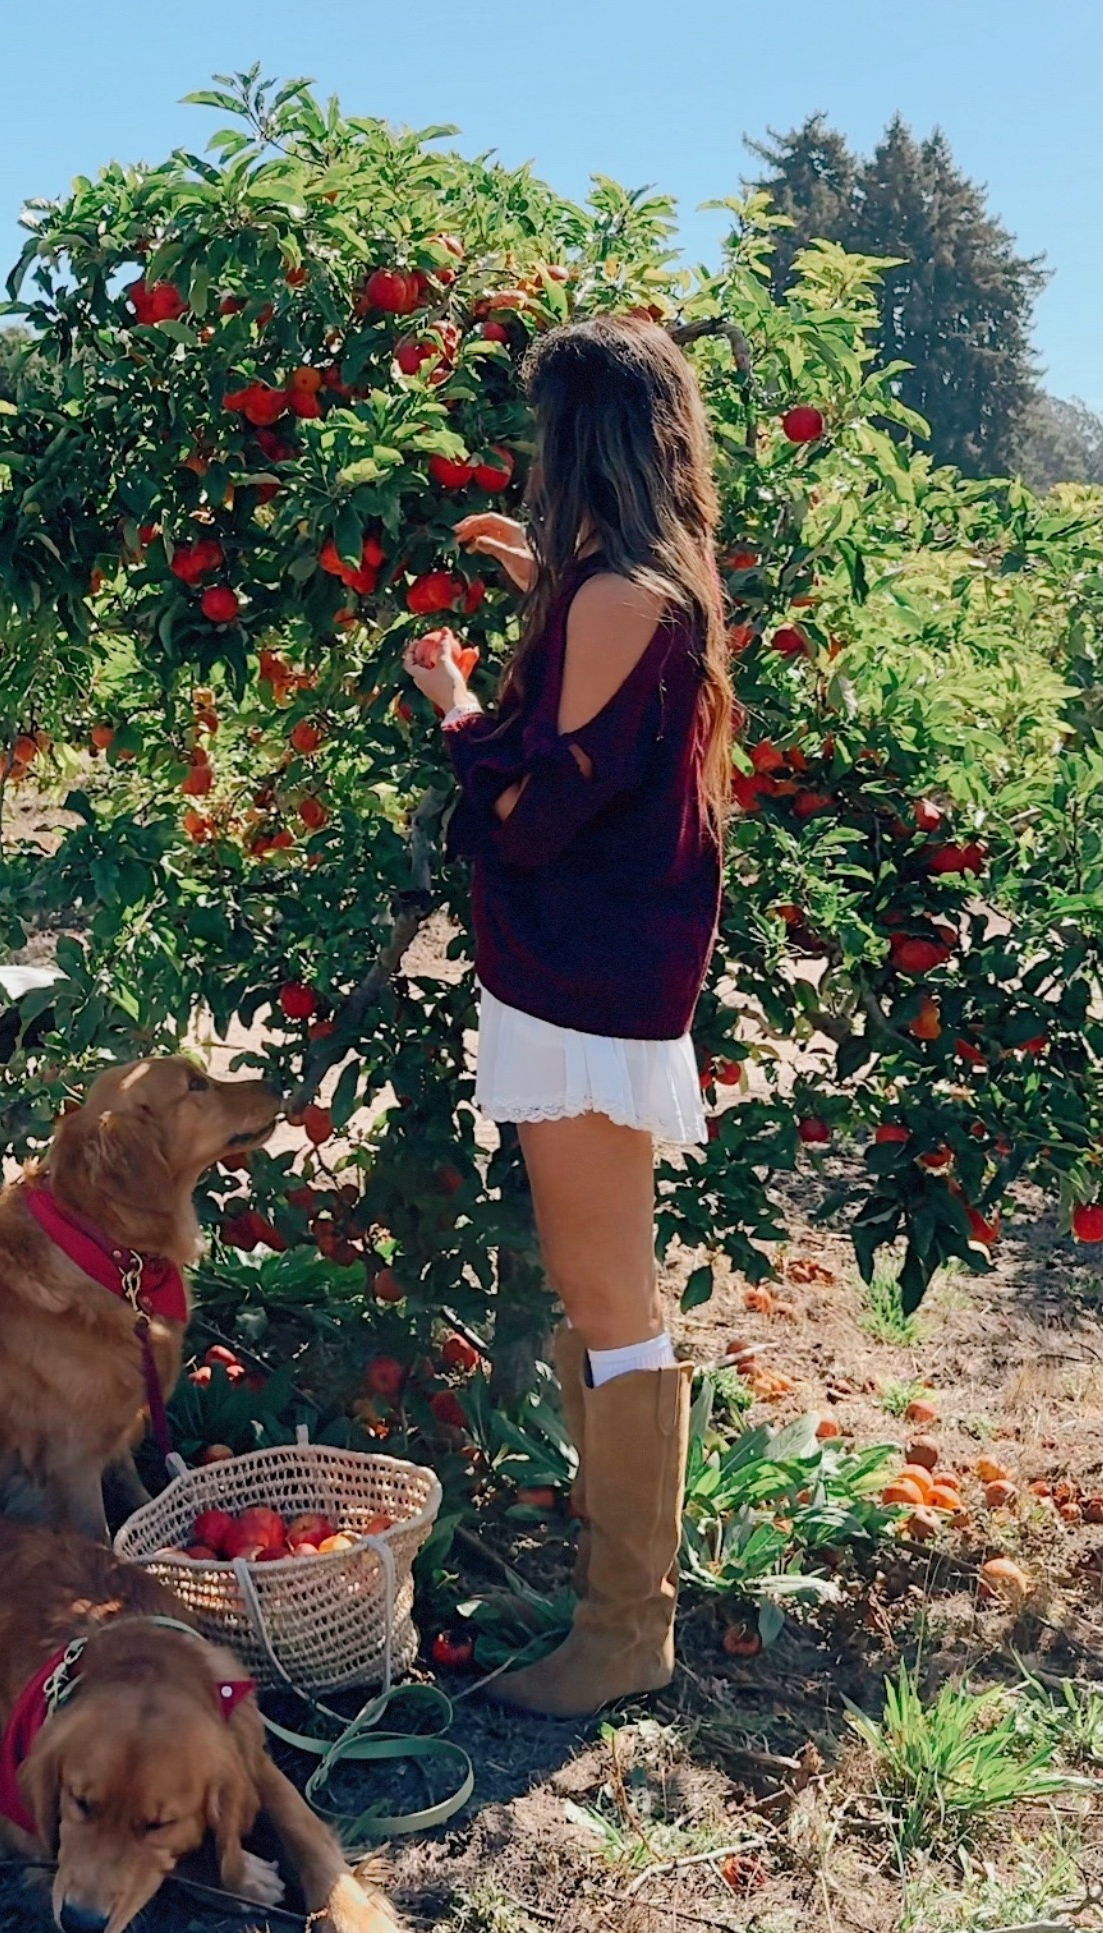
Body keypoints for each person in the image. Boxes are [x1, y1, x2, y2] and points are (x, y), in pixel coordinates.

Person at [402, 315, 732, 1718]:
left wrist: (459, 699)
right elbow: (616, 720)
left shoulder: (617, 603)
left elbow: (534, 814)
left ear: (574, 441)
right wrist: (545, 585)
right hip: (596, 974)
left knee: (607, 1295)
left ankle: (622, 1630)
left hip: (581, 978)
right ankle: (617, 1612)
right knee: (600, 1287)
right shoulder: (645, 584)